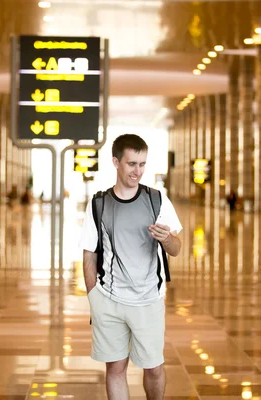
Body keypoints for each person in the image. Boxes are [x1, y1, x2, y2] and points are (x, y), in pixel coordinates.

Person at [79, 134, 182, 400]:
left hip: (148, 300)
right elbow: (89, 253)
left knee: (154, 367)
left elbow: (177, 249)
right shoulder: (99, 204)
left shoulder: (157, 200)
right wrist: (94, 298)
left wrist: (167, 238)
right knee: (115, 368)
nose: (138, 171)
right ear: (116, 162)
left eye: (142, 164)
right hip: (109, 301)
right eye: (131, 163)